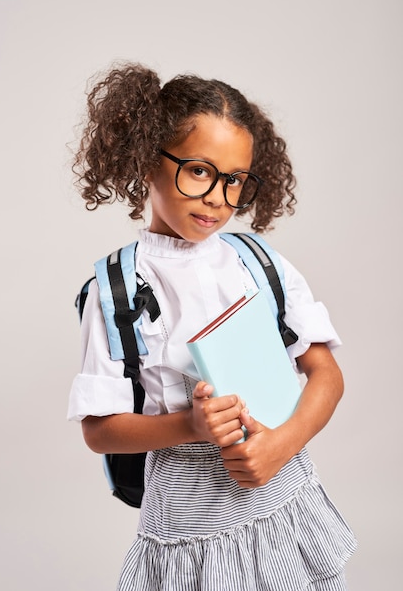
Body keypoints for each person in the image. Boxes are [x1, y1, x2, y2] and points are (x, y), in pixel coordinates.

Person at [68, 62, 356, 591]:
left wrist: (283, 443)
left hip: (285, 494)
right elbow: (98, 430)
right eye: (199, 170)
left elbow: (326, 374)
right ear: (146, 158)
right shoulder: (115, 289)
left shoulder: (258, 261)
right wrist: (192, 427)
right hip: (192, 525)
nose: (219, 198)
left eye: (235, 180)